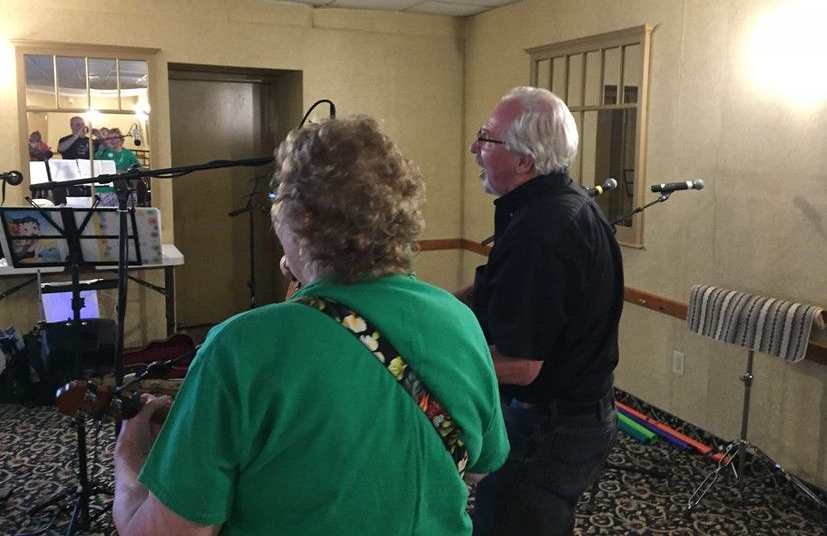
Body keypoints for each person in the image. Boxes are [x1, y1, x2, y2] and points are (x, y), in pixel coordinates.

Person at [113, 115, 510, 535]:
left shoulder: (241, 346)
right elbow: (479, 467)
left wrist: (128, 453)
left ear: (296, 217)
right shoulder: (459, 320)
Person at [459, 87, 624, 535]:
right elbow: (499, 289)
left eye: (485, 138)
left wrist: (429, 363)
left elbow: (521, 365)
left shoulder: (542, 231)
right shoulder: (556, 205)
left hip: (548, 427)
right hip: (572, 419)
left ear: (524, 161)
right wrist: (431, 310)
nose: (474, 148)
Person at [93, 128, 140, 206]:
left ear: (121, 140)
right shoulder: (101, 153)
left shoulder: (129, 155)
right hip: (104, 191)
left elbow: (138, 171)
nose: (112, 140)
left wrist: (124, 173)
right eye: (109, 138)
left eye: (115, 138)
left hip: (124, 190)